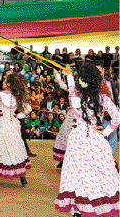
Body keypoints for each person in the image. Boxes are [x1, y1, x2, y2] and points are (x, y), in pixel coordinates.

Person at [55, 64, 120, 217]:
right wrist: (105, 132)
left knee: (76, 173)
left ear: (83, 80)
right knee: (98, 173)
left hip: (77, 139)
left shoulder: (76, 96)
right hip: (96, 139)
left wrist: (69, 75)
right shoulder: (102, 97)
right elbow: (117, 118)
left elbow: (71, 89)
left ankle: (77, 209)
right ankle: (96, 205)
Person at [0, 73, 32, 186]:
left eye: (5, 81)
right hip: (12, 124)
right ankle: (22, 178)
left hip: (0, 124)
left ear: (9, 84)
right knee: (15, 148)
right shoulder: (17, 96)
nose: (3, 82)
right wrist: (19, 116)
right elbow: (28, 108)